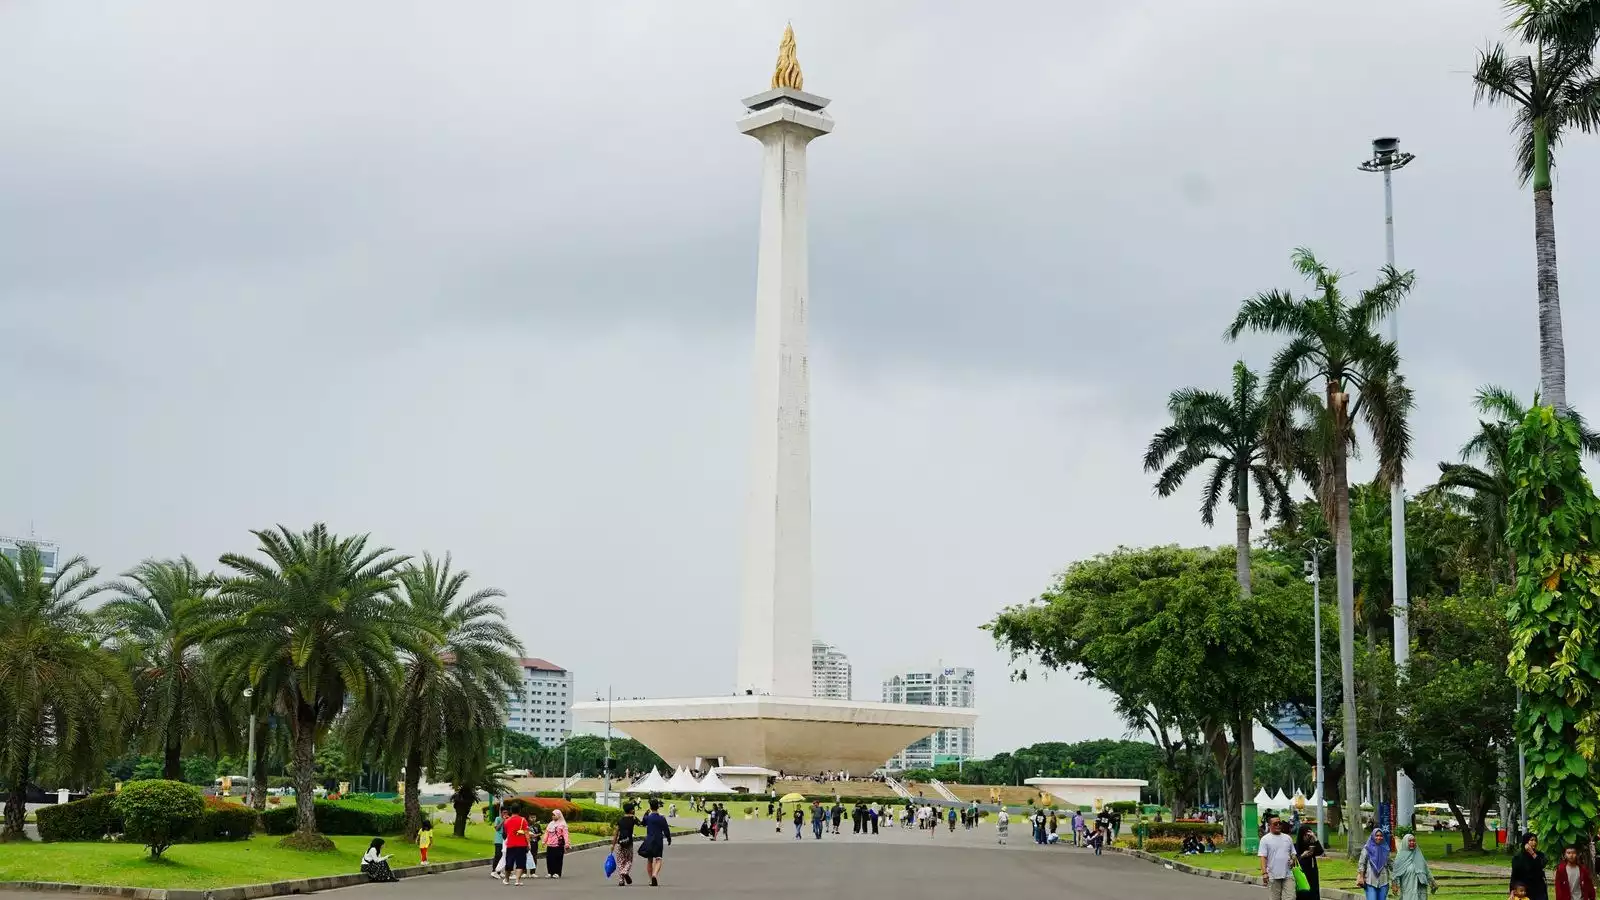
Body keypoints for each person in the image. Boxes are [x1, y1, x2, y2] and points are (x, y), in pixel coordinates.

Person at [1258, 817, 1298, 900]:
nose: (1278, 825)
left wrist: (1292, 859)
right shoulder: (1265, 839)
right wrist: (1264, 873)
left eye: (1280, 823)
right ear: (1269, 825)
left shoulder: (1287, 838)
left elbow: (1293, 853)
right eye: (1275, 824)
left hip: (1288, 874)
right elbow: (1263, 857)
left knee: (1291, 898)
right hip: (1273, 875)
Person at [1393, 833, 1437, 900]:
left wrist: (1432, 882)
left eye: (1413, 841)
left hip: (1421, 886)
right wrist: (1395, 885)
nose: (1412, 842)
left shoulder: (1419, 854)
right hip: (1408, 886)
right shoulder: (1400, 857)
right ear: (1405, 842)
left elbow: (1426, 869)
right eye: (1410, 841)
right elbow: (1396, 873)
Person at [639, 799, 672, 887]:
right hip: (658, 840)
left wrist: (645, 814)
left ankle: (651, 879)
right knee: (658, 859)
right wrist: (669, 839)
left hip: (649, 840)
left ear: (650, 807)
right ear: (658, 807)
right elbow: (666, 830)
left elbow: (643, 823)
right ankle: (654, 875)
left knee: (649, 860)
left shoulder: (648, 818)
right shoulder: (662, 818)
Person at [1357, 828, 1394, 900]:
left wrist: (1395, 880)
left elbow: (1391, 865)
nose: (1379, 837)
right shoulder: (1367, 848)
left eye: (1381, 836)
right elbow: (1362, 863)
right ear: (1373, 836)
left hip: (1384, 881)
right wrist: (1361, 877)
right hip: (1370, 880)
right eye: (1377, 835)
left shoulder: (1385, 849)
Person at [1511, 833, 1550, 900]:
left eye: (1535, 840)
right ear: (1525, 842)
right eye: (1531, 840)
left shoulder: (1540, 855)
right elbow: (1514, 876)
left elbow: (1542, 865)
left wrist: (1532, 853)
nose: (1534, 842)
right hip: (1524, 890)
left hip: (1539, 889)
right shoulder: (1517, 857)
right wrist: (1512, 891)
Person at [500, 807, 532, 886]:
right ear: (519, 811)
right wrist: (528, 843)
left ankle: (507, 879)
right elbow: (526, 832)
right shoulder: (523, 820)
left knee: (509, 862)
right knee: (520, 862)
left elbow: (506, 833)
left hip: (510, 844)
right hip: (521, 844)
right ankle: (517, 880)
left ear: (511, 811)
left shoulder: (507, 821)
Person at [612, 801, 639, 887]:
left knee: (620, 861)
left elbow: (616, 833)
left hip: (620, 843)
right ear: (631, 810)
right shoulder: (633, 818)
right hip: (629, 843)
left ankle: (621, 880)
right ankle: (625, 872)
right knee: (629, 860)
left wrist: (613, 845)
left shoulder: (620, 820)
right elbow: (641, 824)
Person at [1296, 825, 1325, 900]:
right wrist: (1302, 855)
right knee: (1303, 893)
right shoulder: (1296, 846)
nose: (1307, 837)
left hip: (1312, 872)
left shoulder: (1311, 846)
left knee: (1314, 892)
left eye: (1309, 835)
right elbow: (1294, 861)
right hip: (1301, 873)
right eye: (1306, 835)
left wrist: (1315, 838)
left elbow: (1320, 852)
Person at [543, 809, 570, 879]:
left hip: (558, 844)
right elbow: (547, 833)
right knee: (549, 859)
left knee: (558, 859)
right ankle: (550, 872)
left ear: (558, 815)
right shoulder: (550, 824)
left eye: (554, 815)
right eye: (552, 815)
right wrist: (544, 841)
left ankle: (557, 873)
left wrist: (567, 843)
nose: (553, 816)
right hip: (550, 844)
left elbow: (565, 834)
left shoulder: (563, 824)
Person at [490, 803, 505, 879]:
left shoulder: (508, 819)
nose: (505, 814)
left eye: (506, 812)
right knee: (498, 855)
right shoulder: (498, 818)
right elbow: (497, 828)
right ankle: (494, 871)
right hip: (498, 839)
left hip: (504, 840)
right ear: (501, 812)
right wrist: (503, 821)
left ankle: (499, 871)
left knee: (502, 856)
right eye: (504, 812)